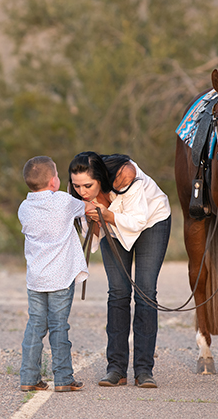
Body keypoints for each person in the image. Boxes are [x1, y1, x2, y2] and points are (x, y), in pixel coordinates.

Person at [68, 152, 171, 389]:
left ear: (101, 179)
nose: (82, 191)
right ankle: (116, 368)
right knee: (117, 293)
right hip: (112, 227)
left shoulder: (125, 175)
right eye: (76, 186)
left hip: (151, 222)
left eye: (88, 186)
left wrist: (107, 214)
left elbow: (136, 221)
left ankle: (144, 370)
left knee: (145, 292)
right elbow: (91, 240)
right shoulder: (76, 192)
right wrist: (92, 216)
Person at [18, 156, 95, 392]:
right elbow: (88, 207)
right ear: (54, 181)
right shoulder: (63, 201)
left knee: (35, 326)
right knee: (59, 327)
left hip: (36, 279)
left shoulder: (24, 208)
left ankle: (29, 377)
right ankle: (63, 378)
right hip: (60, 278)